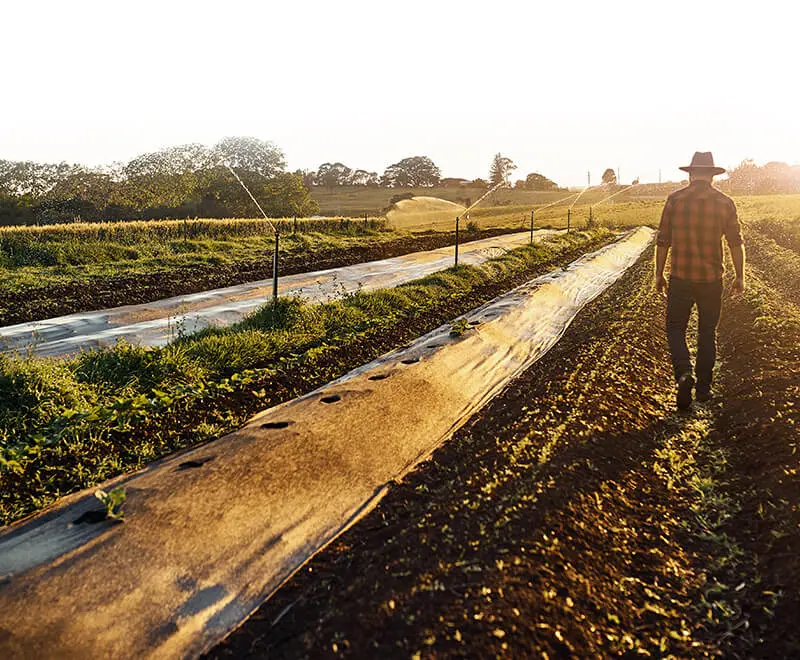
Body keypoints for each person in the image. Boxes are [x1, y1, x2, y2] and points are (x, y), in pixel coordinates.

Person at [655, 151, 746, 410]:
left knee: (675, 327)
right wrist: (740, 276)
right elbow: (735, 243)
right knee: (707, 331)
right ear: (713, 176)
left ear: (692, 174)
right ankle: (704, 389)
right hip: (711, 279)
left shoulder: (675, 200)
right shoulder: (725, 203)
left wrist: (659, 275)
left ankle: (683, 372)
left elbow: (663, 242)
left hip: (681, 277)